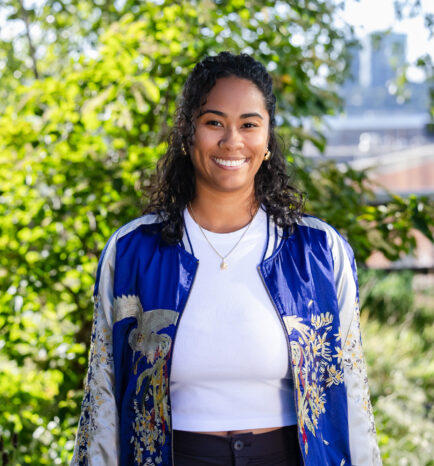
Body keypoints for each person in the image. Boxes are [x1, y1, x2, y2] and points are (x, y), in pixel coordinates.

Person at [71, 52, 381, 466]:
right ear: (188, 134)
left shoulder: (319, 251)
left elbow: (352, 394)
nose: (232, 140)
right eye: (214, 122)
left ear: (267, 139)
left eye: (249, 124)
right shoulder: (132, 251)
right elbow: (103, 398)